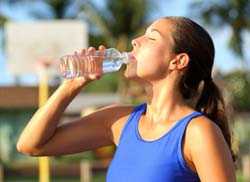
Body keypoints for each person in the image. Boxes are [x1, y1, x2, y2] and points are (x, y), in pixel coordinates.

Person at [17, 16, 236, 182]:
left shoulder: (198, 132)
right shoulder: (119, 121)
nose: (135, 41)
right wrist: (72, 85)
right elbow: (31, 145)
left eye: (151, 37)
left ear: (178, 61)